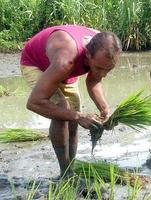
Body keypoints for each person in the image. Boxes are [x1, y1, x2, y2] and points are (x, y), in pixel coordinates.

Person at [20, 25, 122, 178]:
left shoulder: (103, 47)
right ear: (87, 54)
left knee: (72, 117)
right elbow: (34, 102)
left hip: (65, 68)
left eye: (108, 69)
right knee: (63, 110)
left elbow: (93, 80)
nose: (104, 74)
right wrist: (77, 116)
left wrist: (105, 109)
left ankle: (71, 169)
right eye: (99, 68)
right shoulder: (66, 61)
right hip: (37, 64)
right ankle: (65, 173)